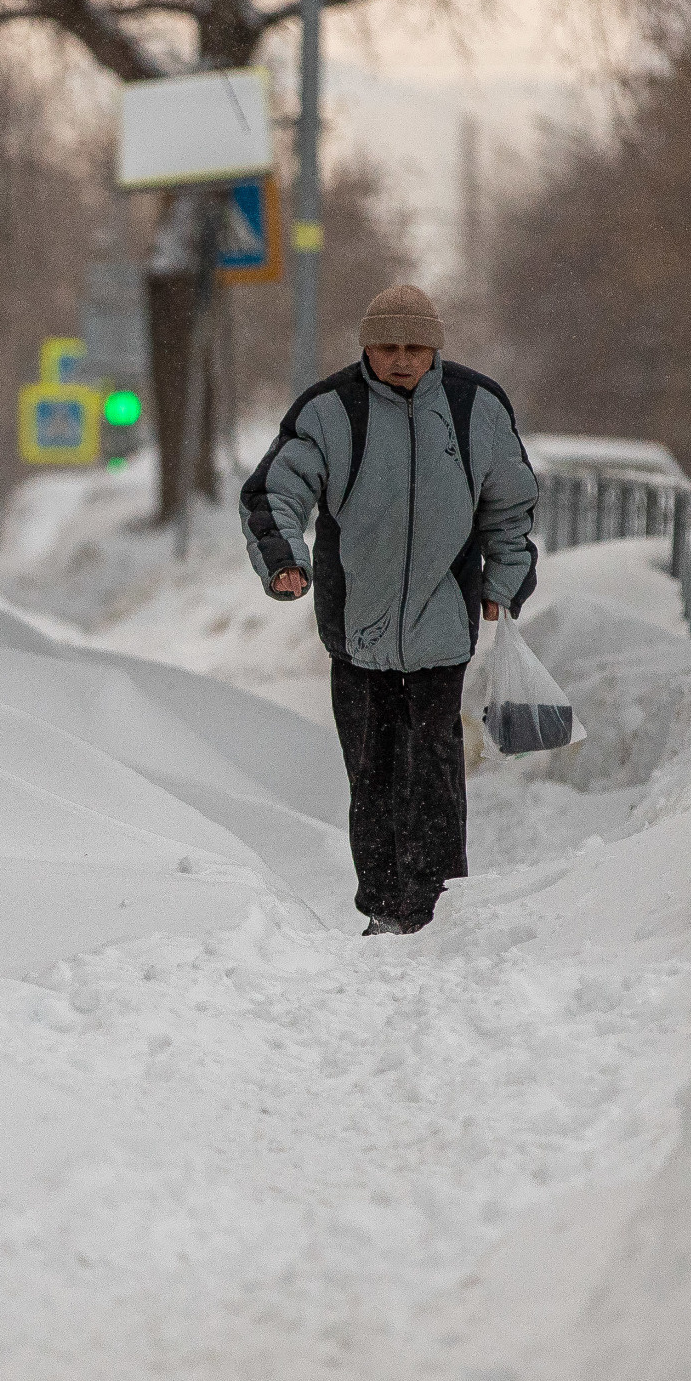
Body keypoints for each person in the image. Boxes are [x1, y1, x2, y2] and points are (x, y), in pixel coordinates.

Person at [238, 285, 538, 934]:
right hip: (356, 627)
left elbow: (510, 504)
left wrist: (504, 579)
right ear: (366, 348)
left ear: (435, 348)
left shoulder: (475, 408)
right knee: (371, 770)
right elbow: (274, 492)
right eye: (387, 347)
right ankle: (383, 906)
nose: (402, 360)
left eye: (415, 347)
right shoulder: (328, 412)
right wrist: (285, 559)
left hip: (441, 623)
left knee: (433, 767)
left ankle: (436, 904)